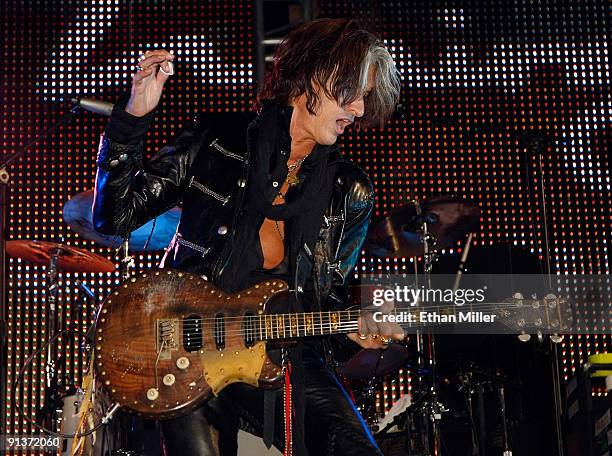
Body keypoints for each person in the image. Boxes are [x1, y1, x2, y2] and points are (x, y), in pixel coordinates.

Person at [93, 18, 401, 456]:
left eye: (367, 100)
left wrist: (357, 323)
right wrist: (132, 119)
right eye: (354, 94)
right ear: (316, 74)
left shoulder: (350, 191)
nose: (358, 110)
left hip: (281, 349)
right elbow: (114, 216)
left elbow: (324, 302)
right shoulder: (217, 139)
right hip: (189, 345)